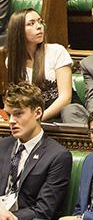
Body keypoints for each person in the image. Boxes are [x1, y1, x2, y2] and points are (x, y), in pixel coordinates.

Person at [0, 83, 71, 219]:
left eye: (18, 114)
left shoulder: (58, 156)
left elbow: (45, 210)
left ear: (38, 113)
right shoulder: (2, 145)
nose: (11, 121)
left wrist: (11, 217)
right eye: (9, 115)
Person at [3, 9, 72, 121]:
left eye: (40, 22)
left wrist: (37, 119)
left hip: (62, 115)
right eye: (31, 23)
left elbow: (65, 98)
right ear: (18, 30)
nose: (39, 26)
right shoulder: (11, 60)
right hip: (32, 118)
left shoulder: (56, 51)